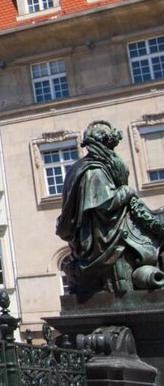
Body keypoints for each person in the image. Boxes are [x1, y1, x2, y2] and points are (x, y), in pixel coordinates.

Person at [56, 120, 164, 293]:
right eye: (110, 145)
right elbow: (106, 204)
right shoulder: (94, 171)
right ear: (103, 144)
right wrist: (127, 191)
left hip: (97, 233)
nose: (112, 151)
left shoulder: (78, 168)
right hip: (103, 237)